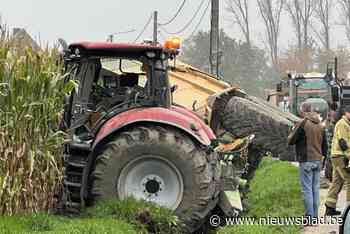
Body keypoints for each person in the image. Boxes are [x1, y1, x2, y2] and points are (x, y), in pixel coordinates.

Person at [288, 102, 328, 219]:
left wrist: (291, 131)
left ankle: (309, 217)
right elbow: (325, 146)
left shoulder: (303, 123)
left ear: (303, 111)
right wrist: (323, 162)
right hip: (318, 161)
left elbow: (291, 140)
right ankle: (315, 217)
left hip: (306, 160)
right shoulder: (321, 125)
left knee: (307, 190)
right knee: (315, 189)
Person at [325, 106, 350, 216]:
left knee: (337, 182)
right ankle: (349, 210)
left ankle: (329, 207)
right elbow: (343, 143)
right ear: (347, 113)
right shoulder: (342, 124)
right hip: (341, 156)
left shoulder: (345, 124)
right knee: (349, 180)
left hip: (337, 156)